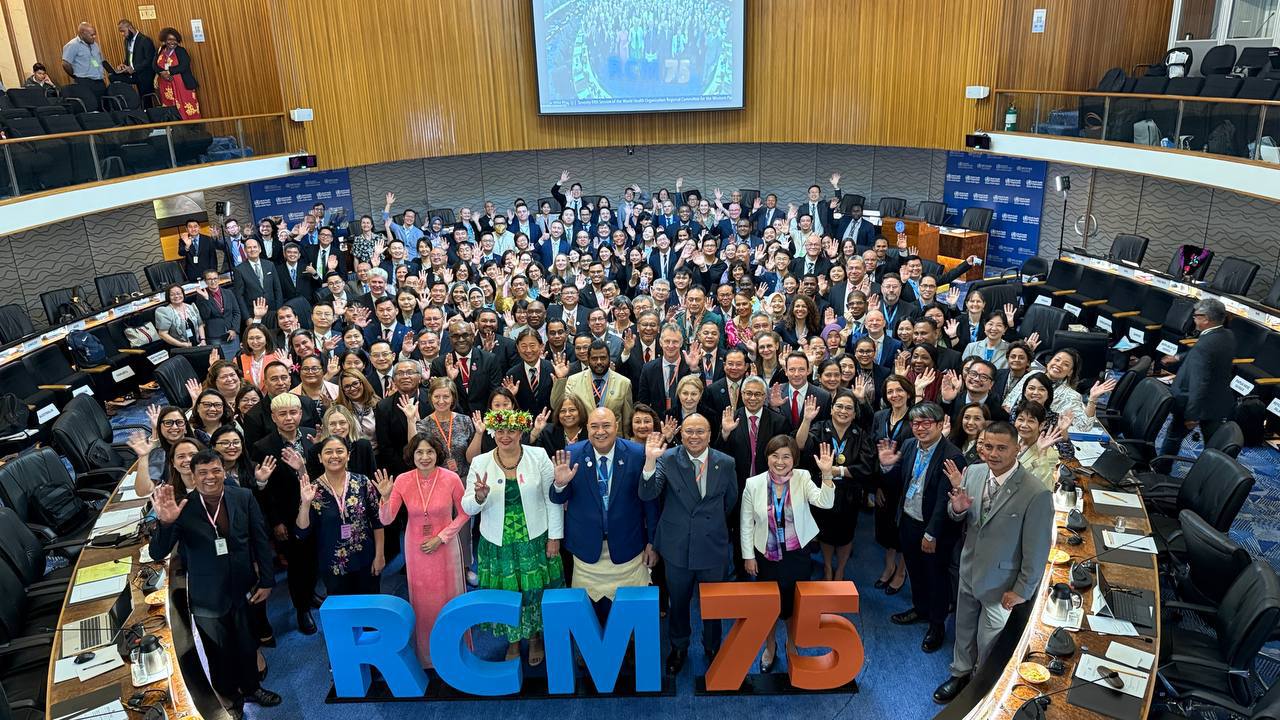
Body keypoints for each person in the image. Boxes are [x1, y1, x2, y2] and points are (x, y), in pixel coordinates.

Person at [149, 452, 281, 720]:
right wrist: (166, 523)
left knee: (248, 645)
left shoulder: (243, 496)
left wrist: (267, 580)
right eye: (203, 473)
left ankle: (253, 688)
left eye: (216, 470)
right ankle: (231, 700)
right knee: (218, 654)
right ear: (193, 476)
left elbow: (260, 539)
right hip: (207, 598)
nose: (210, 477)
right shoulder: (182, 507)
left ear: (224, 471)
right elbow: (157, 552)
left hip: (245, 590)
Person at [933, 422, 1054, 704]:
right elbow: (961, 512)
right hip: (969, 568)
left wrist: (1022, 590)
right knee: (963, 626)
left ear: (1018, 448)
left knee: (990, 639)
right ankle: (960, 671)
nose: (994, 453)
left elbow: (1037, 550)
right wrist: (957, 510)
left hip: (1003, 583)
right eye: (988, 446)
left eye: (1002, 448)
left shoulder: (1036, 492)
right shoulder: (974, 472)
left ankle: (980, 683)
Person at [462, 409, 564, 666]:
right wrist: (480, 497)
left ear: (521, 432)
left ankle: (535, 637)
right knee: (506, 595)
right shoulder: (480, 462)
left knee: (534, 593)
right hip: (498, 544)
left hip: (534, 539)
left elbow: (552, 499)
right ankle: (513, 641)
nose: (505, 436)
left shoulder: (538, 456)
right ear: (493, 432)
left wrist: (554, 537)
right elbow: (467, 507)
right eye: (500, 431)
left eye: (511, 430)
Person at [640, 414, 738, 676]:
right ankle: (679, 647)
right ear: (681, 434)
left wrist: (709, 524)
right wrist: (649, 461)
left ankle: (713, 646)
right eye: (689, 431)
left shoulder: (726, 462)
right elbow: (648, 493)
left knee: (713, 604)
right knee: (679, 602)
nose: (694, 437)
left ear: (710, 434)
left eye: (700, 431)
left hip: (712, 545)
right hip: (676, 546)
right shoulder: (667, 458)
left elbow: (730, 501)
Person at [550, 408, 657, 620]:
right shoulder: (572, 454)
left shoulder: (637, 454)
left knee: (629, 616)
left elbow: (650, 501)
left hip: (628, 548)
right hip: (587, 550)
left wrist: (652, 542)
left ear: (616, 426)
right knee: (590, 617)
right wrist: (560, 485)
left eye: (606, 425)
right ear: (586, 428)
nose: (600, 432)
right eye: (594, 426)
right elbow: (558, 498)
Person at [878, 401, 966, 654]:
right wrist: (887, 466)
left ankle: (937, 625)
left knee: (936, 577)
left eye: (927, 423)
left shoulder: (952, 455)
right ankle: (920, 609)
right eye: (916, 423)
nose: (920, 428)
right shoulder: (908, 445)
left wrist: (931, 533)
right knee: (915, 570)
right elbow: (898, 484)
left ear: (939, 425)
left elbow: (944, 499)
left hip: (934, 528)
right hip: (908, 519)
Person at [741, 437, 836, 671]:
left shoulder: (802, 477)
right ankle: (770, 646)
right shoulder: (753, 483)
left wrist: (827, 474)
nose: (780, 461)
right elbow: (746, 523)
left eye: (786, 456)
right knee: (769, 607)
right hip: (766, 555)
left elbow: (825, 503)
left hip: (797, 554)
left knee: (795, 605)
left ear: (794, 459)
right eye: (775, 455)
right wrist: (748, 556)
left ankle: (791, 644)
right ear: (767, 457)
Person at [376, 434, 469, 668]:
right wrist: (385, 497)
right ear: (412, 455)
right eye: (419, 452)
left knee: (449, 598)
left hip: (446, 547)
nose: (425, 457)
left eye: (430, 452)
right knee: (422, 602)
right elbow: (386, 519)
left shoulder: (451, 478)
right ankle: (428, 658)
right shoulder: (403, 480)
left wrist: (442, 537)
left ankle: (456, 652)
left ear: (438, 453)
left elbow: (464, 513)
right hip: (416, 549)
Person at [250, 393, 318, 635]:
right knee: (297, 564)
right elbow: (265, 491)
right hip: (286, 516)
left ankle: (310, 593)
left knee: (313, 558)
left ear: (301, 413)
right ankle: (302, 609)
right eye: (283, 414)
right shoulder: (263, 447)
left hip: (315, 510)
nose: (289, 418)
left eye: (293, 412)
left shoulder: (312, 436)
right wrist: (275, 521)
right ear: (273, 417)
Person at [800, 390, 876, 581]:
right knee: (825, 533)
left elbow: (866, 468)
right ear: (831, 409)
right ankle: (827, 566)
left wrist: (837, 471)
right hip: (823, 491)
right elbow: (800, 446)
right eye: (839, 406)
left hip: (849, 495)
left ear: (854, 413)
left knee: (846, 534)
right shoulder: (819, 428)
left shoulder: (860, 434)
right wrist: (807, 420)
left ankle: (840, 568)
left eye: (849, 408)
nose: (843, 411)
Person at [295, 436, 385, 595]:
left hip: (366, 559)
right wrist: (306, 503)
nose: (334, 456)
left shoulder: (362, 482)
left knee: (369, 606)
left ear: (348, 455)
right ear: (320, 458)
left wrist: (380, 555)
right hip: (333, 565)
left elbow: (377, 522)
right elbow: (302, 531)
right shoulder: (313, 489)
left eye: (339, 451)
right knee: (341, 608)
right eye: (328, 452)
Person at [1160, 297, 1236, 455]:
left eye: (1195, 316)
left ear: (1206, 319)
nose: (1193, 319)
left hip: (1193, 402)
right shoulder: (1226, 335)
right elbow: (1204, 354)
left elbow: (1199, 382)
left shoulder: (1205, 345)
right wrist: (1178, 357)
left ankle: (1160, 467)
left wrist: (1192, 415)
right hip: (1216, 401)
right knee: (1213, 444)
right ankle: (1213, 468)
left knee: (1173, 437)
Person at [551, 338, 635, 431]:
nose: (599, 362)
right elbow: (556, 406)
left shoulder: (624, 383)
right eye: (594, 358)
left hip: (613, 437)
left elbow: (627, 421)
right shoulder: (574, 381)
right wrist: (561, 379)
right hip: (583, 436)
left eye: (603, 358)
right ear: (588, 359)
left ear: (609, 358)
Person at [1012, 401, 1066, 490]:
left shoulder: (1049, 454)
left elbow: (1046, 488)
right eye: (1021, 419)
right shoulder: (1010, 439)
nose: (1024, 425)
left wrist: (1042, 453)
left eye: (1031, 421)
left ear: (1041, 425)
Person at [155, 27, 200, 118]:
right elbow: (154, 65)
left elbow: (184, 65)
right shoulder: (161, 50)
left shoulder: (181, 50)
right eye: (169, 39)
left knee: (188, 108)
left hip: (182, 85)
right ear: (164, 40)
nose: (172, 42)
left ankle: (192, 125)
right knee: (170, 110)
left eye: (175, 40)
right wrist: (161, 73)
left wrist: (169, 71)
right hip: (166, 87)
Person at [61, 23, 108, 110]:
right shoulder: (73, 45)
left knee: (104, 107)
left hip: (99, 81)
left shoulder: (95, 45)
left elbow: (97, 61)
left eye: (95, 34)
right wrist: (75, 75)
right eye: (91, 35)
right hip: (85, 82)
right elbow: (65, 64)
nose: (94, 37)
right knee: (91, 108)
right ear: (82, 34)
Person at [114, 19, 156, 103]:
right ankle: (124, 104)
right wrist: (123, 65)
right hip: (132, 73)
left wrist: (134, 68)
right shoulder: (126, 41)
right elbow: (129, 57)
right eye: (120, 32)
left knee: (145, 99)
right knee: (113, 76)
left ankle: (146, 108)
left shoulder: (145, 40)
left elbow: (149, 60)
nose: (122, 34)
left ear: (130, 27)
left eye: (123, 31)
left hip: (144, 74)